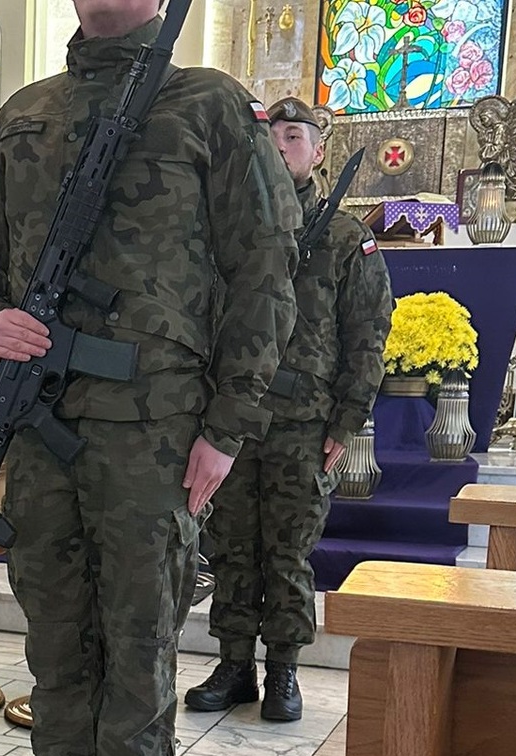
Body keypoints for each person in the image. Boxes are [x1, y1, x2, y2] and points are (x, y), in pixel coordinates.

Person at [0, 1, 301, 756]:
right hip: (39, 428)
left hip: (157, 434)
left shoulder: (209, 104)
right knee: (56, 649)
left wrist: (227, 428)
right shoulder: (23, 113)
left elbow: (267, 272)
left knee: (140, 651)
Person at [185, 97, 393, 722]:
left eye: (294, 136)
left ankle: (283, 669)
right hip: (232, 420)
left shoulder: (346, 237)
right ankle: (233, 665)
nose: (280, 146)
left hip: (304, 423)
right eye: (272, 136)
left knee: (287, 551)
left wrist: (348, 420)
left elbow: (368, 332)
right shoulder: (229, 227)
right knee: (230, 548)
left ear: (319, 151)